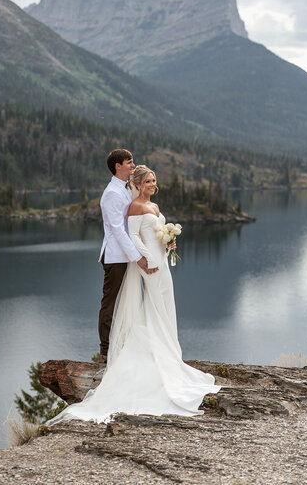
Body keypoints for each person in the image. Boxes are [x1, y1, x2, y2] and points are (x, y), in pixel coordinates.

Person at [46, 164, 221, 426]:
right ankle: (156, 353)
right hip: (149, 264)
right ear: (138, 184)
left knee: (165, 303)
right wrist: (146, 258)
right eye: (148, 181)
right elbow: (133, 236)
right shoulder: (135, 207)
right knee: (152, 304)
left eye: (154, 180)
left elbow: (156, 233)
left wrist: (168, 242)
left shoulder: (156, 207)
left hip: (161, 261)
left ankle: (170, 351)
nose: (152, 184)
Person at [97, 149, 157, 364]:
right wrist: (137, 257)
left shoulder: (126, 188)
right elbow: (117, 229)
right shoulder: (111, 193)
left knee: (125, 302)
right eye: (129, 163)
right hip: (116, 256)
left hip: (127, 254)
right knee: (111, 303)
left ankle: (124, 344)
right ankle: (105, 351)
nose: (133, 166)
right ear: (117, 166)